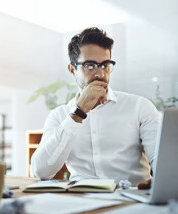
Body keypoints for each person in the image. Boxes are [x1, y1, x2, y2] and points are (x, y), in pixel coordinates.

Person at [31, 27, 160, 185]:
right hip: (81, 200)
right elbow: (41, 171)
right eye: (90, 66)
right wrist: (78, 112)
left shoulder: (139, 107)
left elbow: (162, 164)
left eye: (105, 65)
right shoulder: (59, 115)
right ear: (72, 70)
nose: (100, 74)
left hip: (130, 199)